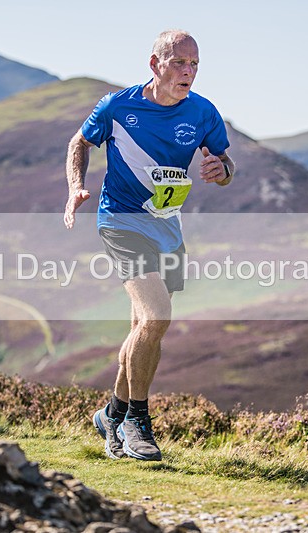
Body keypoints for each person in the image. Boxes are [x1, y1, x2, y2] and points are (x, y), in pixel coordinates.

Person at [64, 30, 235, 460]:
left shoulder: (202, 112)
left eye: (195, 64)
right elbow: (79, 142)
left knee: (144, 327)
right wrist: (75, 187)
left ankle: (112, 414)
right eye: (180, 62)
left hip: (167, 226)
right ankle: (138, 423)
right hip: (121, 221)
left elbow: (226, 163)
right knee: (157, 317)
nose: (189, 72)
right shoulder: (119, 106)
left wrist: (221, 169)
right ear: (155, 64)